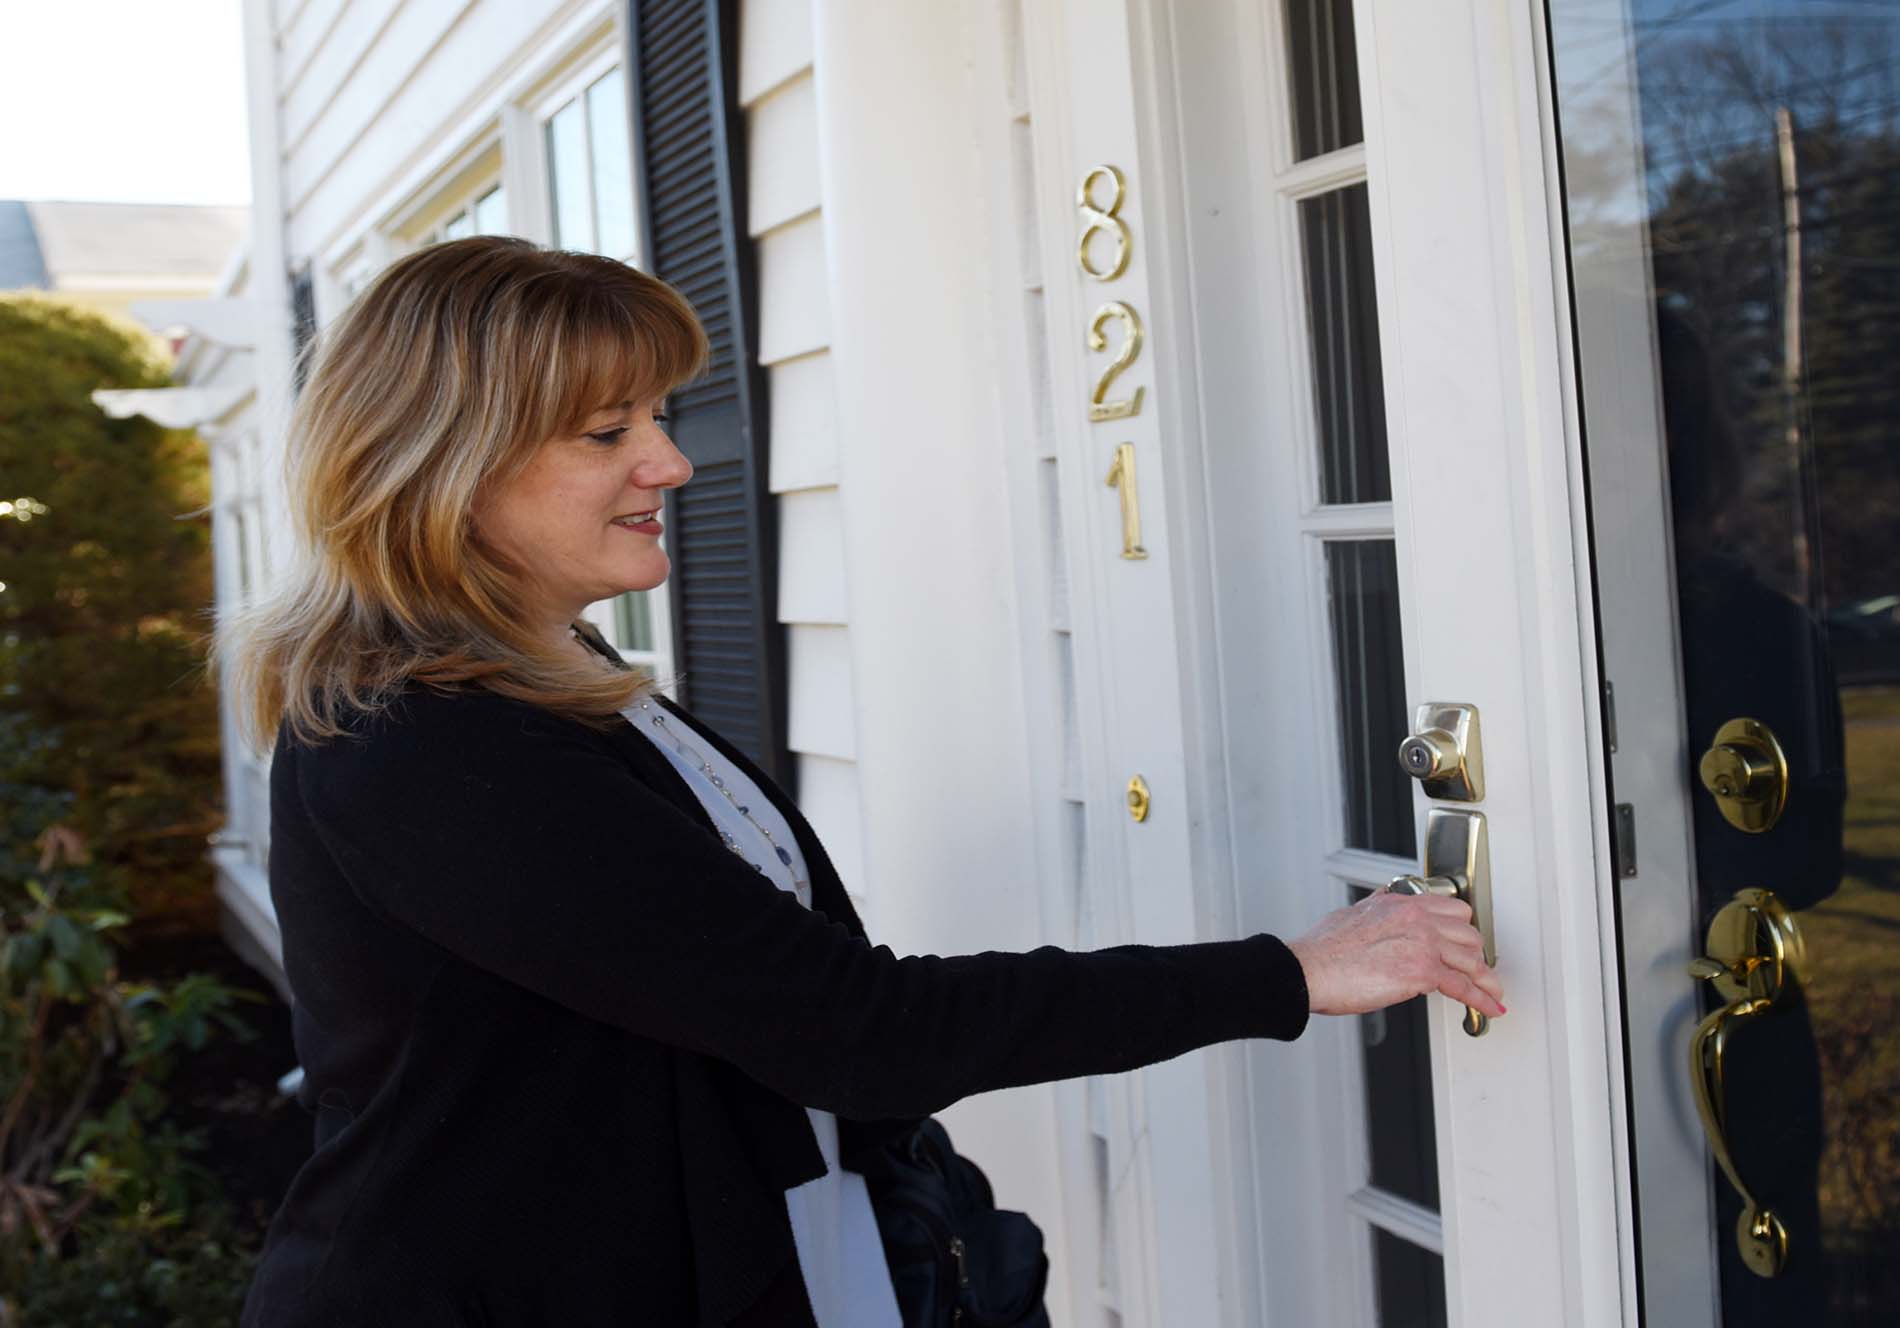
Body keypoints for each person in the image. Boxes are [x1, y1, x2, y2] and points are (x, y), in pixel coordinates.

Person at [226, 235, 1505, 1327]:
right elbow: (851, 1027)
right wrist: (1293, 970)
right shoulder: (425, 740)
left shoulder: (550, 672)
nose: (669, 463)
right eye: (610, 431)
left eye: (660, 418)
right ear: (446, 465)